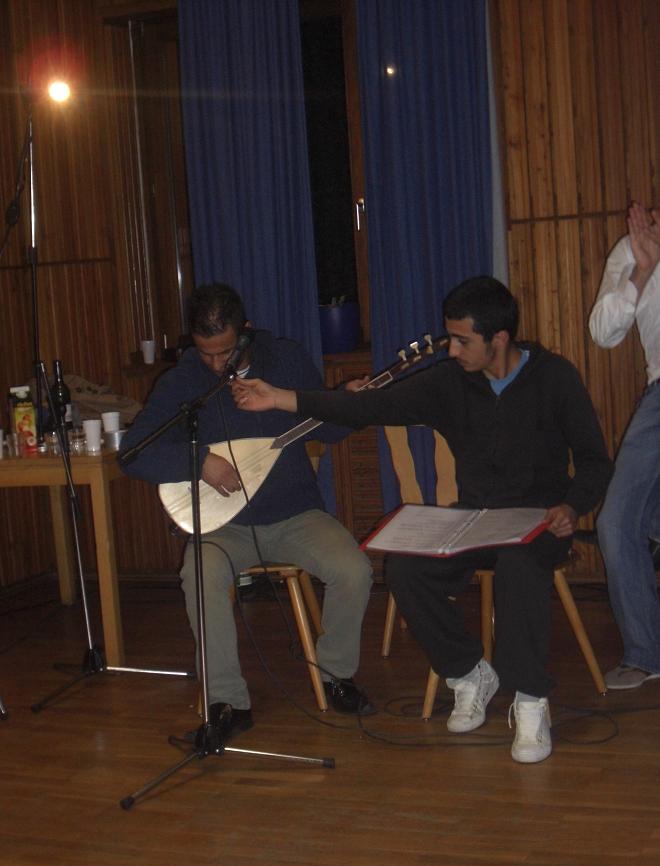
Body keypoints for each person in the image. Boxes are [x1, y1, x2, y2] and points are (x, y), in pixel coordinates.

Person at [234, 276, 613, 763]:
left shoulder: (554, 378)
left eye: (462, 340)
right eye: (450, 338)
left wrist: (572, 506)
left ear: (499, 339)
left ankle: (530, 699)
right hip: (476, 519)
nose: (451, 350)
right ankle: (469, 673)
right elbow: (370, 406)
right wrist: (282, 398)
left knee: (519, 568)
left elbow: (595, 461)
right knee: (406, 568)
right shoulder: (450, 383)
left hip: (541, 522)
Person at [120, 283, 374, 742]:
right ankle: (227, 701)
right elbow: (133, 454)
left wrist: (348, 404)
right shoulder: (183, 383)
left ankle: (336, 675)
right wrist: (199, 461)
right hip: (225, 526)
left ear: (246, 332)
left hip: (295, 512)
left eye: (225, 351)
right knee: (199, 574)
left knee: (353, 569)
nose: (217, 363)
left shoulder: (286, 359)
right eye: (206, 353)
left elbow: (327, 429)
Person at [589, 201, 660, 690]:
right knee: (616, 523)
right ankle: (645, 652)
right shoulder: (633, 248)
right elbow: (602, 332)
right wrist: (642, 270)